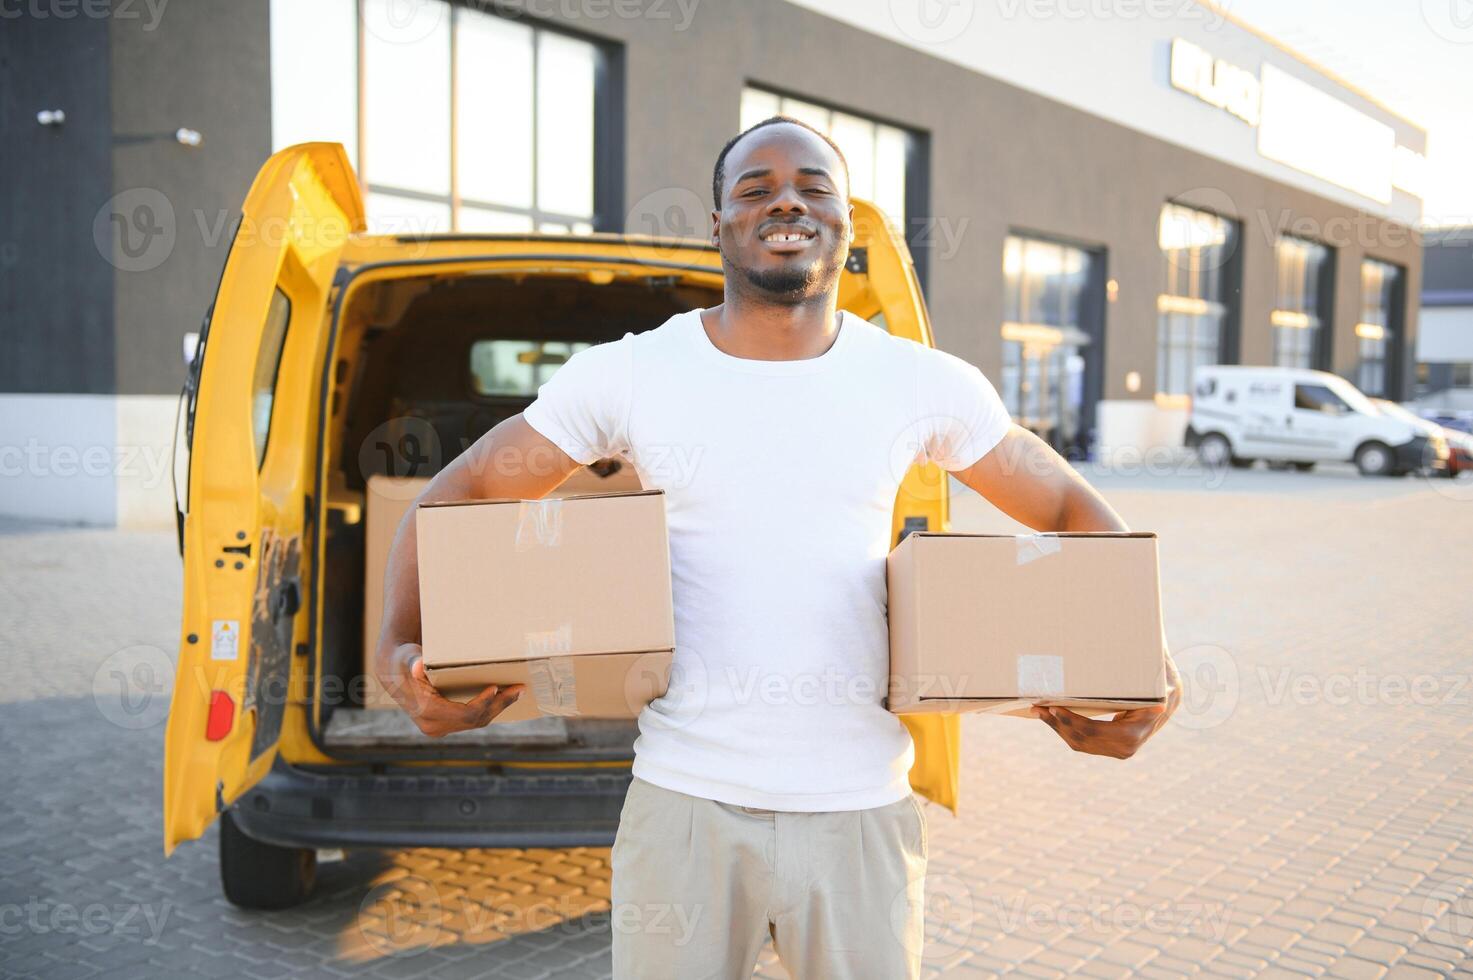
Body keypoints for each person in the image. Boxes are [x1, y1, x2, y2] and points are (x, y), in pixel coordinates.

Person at [373, 115, 1181, 979]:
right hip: (683, 805)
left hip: (860, 812)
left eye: (814, 185)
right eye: (754, 188)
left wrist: (1138, 664)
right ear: (717, 223)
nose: (785, 199)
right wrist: (397, 651)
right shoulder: (631, 373)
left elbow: (1061, 499)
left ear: (845, 224)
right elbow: (458, 494)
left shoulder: (918, 381)